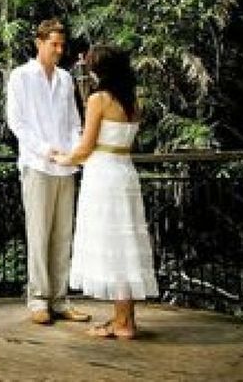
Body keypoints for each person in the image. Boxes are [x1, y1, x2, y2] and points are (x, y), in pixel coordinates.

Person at [51, 44, 158, 339]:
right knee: (125, 244)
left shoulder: (98, 100)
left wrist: (62, 158)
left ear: (101, 70)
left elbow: (85, 148)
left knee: (112, 244)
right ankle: (125, 319)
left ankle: (122, 323)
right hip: (125, 171)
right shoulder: (133, 102)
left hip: (103, 175)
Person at [6, 18, 90, 326]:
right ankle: (38, 300)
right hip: (37, 164)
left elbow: (73, 122)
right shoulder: (21, 76)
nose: (58, 50)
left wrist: (73, 152)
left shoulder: (66, 78)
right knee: (38, 234)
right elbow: (17, 122)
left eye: (61, 45)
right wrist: (47, 150)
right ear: (39, 43)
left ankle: (60, 299)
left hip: (65, 167)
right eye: (53, 44)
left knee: (62, 235)